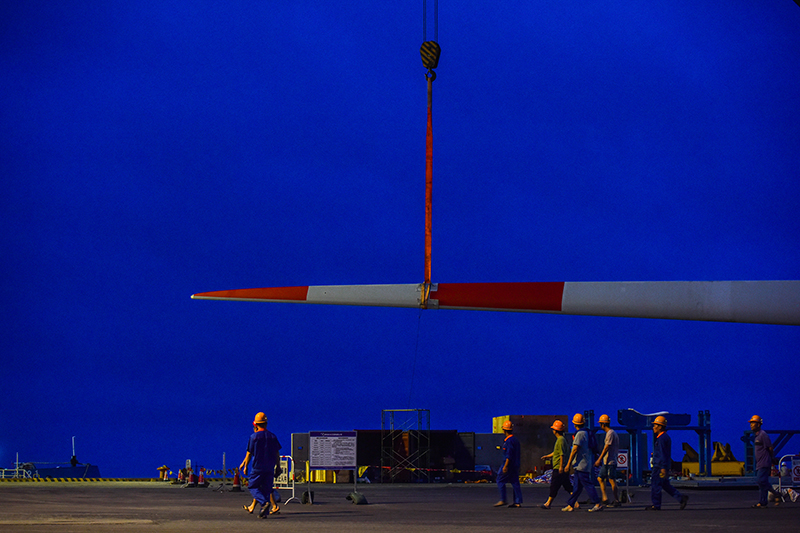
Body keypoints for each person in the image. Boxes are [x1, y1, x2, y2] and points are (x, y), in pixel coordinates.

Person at [240, 412, 282, 518]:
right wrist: (278, 466)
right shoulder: (273, 437)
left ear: (256, 425)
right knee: (266, 489)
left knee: (252, 486)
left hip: (258, 467)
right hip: (270, 467)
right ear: (266, 424)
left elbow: (249, 453)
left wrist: (245, 465)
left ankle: (264, 503)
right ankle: (264, 513)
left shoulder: (253, 437)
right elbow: (277, 453)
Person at [562, 413, 603, 512]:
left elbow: (575, 449)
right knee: (577, 486)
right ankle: (570, 504)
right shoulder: (587, 433)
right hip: (584, 463)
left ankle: (597, 503)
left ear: (575, 424)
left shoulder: (580, 434)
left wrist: (568, 464)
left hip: (581, 464)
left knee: (587, 485)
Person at [647, 415, 688, 511]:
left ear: (660, 427)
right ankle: (681, 498)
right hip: (662, 465)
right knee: (665, 485)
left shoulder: (661, 439)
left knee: (656, 485)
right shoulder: (665, 437)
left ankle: (656, 505)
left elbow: (662, 454)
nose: (653, 427)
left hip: (659, 466)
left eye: (655, 425)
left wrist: (663, 467)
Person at [749, 415, 782, 508]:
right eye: (751, 423)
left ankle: (775, 493)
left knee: (760, 480)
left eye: (753, 423)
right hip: (759, 463)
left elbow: (770, 447)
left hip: (764, 462)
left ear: (759, 424)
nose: (751, 425)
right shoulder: (756, 436)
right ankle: (762, 502)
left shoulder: (763, 435)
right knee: (761, 484)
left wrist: (772, 458)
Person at [540, 419, 573, 509]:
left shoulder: (560, 440)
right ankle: (575, 502)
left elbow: (561, 454)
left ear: (555, 430)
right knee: (567, 486)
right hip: (560, 467)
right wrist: (547, 456)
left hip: (558, 467)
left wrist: (561, 467)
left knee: (554, 485)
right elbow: (556, 452)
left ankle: (548, 503)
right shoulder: (562, 440)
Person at [494, 420, 522, 508]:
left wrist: (505, 466)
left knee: (500, 480)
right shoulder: (515, 440)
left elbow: (508, 455)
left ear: (504, 430)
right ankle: (517, 501)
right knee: (515, 482)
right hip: (515, 465)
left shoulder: (508, 441)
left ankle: (503, 499)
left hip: (509, 464)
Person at [594, 414, 621, 507]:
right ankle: (605, 498)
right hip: (607, 462)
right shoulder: (612, 433)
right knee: (600, 478)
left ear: (603, 424)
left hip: (610, 462)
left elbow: (606, 447)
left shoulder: (610, 434)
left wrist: (599, 459)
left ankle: (616, 500)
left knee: (612, 480)